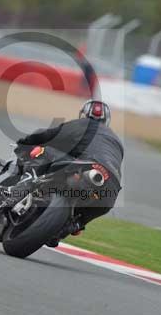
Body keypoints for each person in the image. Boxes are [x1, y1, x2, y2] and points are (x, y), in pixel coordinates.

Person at [15, 100, 124, 246]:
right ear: (107, 120)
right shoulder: (116, 141)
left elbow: (48, 135)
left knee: (45, 150)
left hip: (85, 167)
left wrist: (25, 142)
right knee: (83, 217)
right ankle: (70, 226)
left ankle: (27, 183)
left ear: (84, 114)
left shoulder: (83, 124)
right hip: (111, 186)